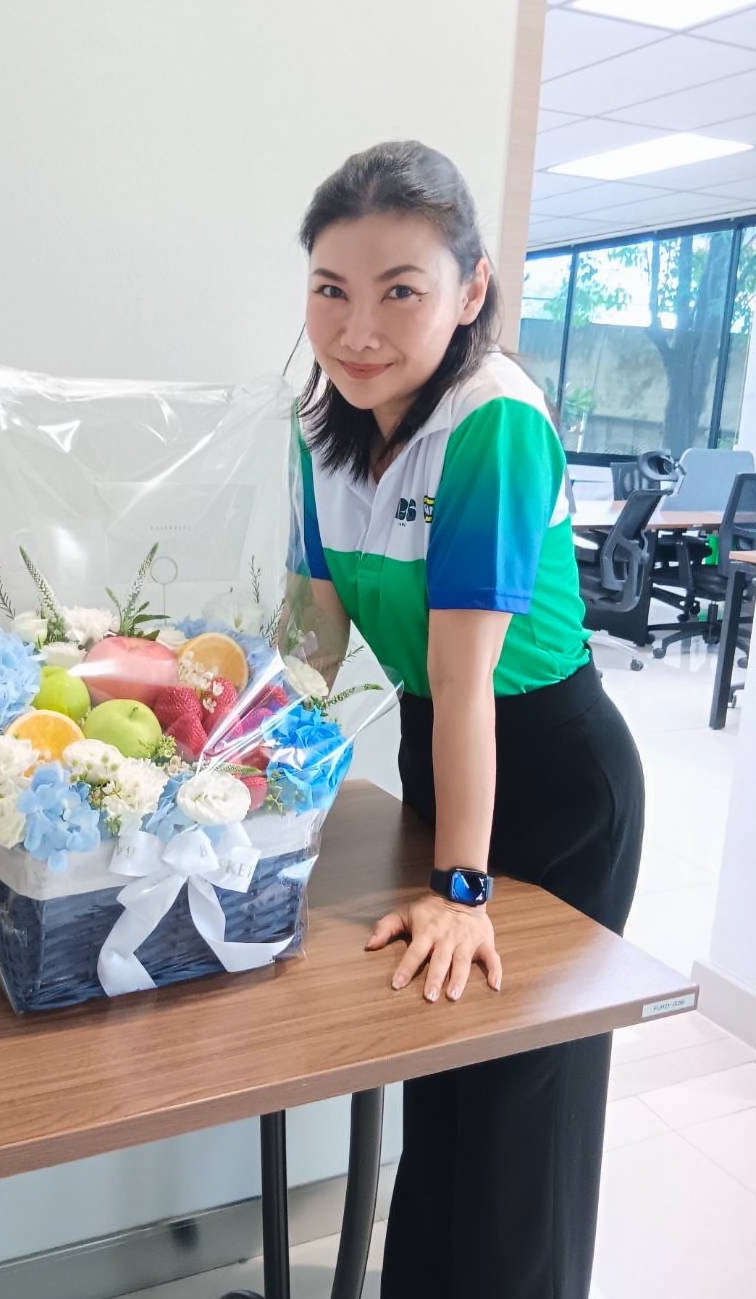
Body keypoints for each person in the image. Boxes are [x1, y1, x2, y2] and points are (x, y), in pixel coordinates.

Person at [287, 141, 643, 1299]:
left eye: (402, 290)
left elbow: (468, 679)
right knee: (434, 1068)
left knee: (516, 1103)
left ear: (470, 292)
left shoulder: (493, 423)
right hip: (442, 755)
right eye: (331, 289)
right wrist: (220, 756)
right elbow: (311, 646)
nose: (358, 329)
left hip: (546, 769)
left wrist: (463, 888)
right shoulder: (322, 421)